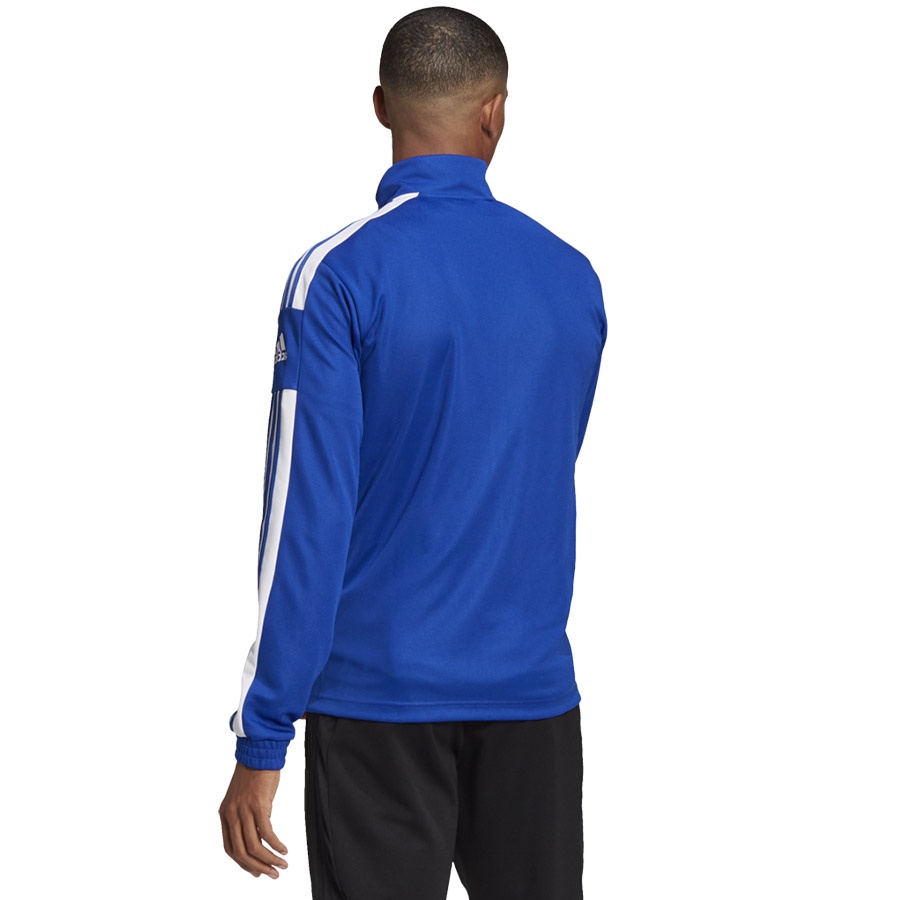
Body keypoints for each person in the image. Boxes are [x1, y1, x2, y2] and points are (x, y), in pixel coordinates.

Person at [219, 7, 608, 899]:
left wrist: (263, 733)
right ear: (496, 111)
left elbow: (304, 517)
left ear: (380, 106)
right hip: (533, 701)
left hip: (377, 701)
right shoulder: (572, 276)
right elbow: (538, 468)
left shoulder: (339, 276)